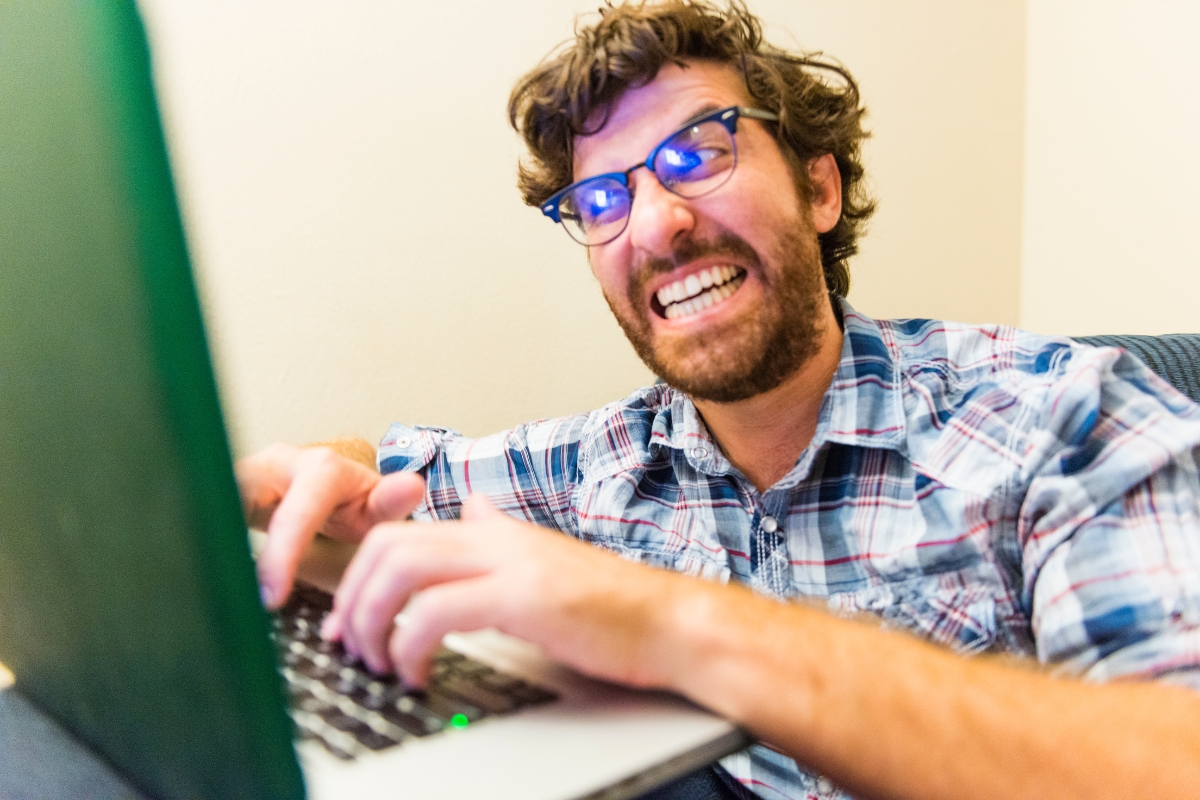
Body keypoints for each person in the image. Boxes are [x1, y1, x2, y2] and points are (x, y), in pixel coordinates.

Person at [237, 2, 1200, 798]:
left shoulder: (1069, 418)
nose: (656, 223)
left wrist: (669, 622)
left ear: (819, 189)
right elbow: (378, 477)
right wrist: (316, 477)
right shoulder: (601, 464)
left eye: (700, 153)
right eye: (603, 202)